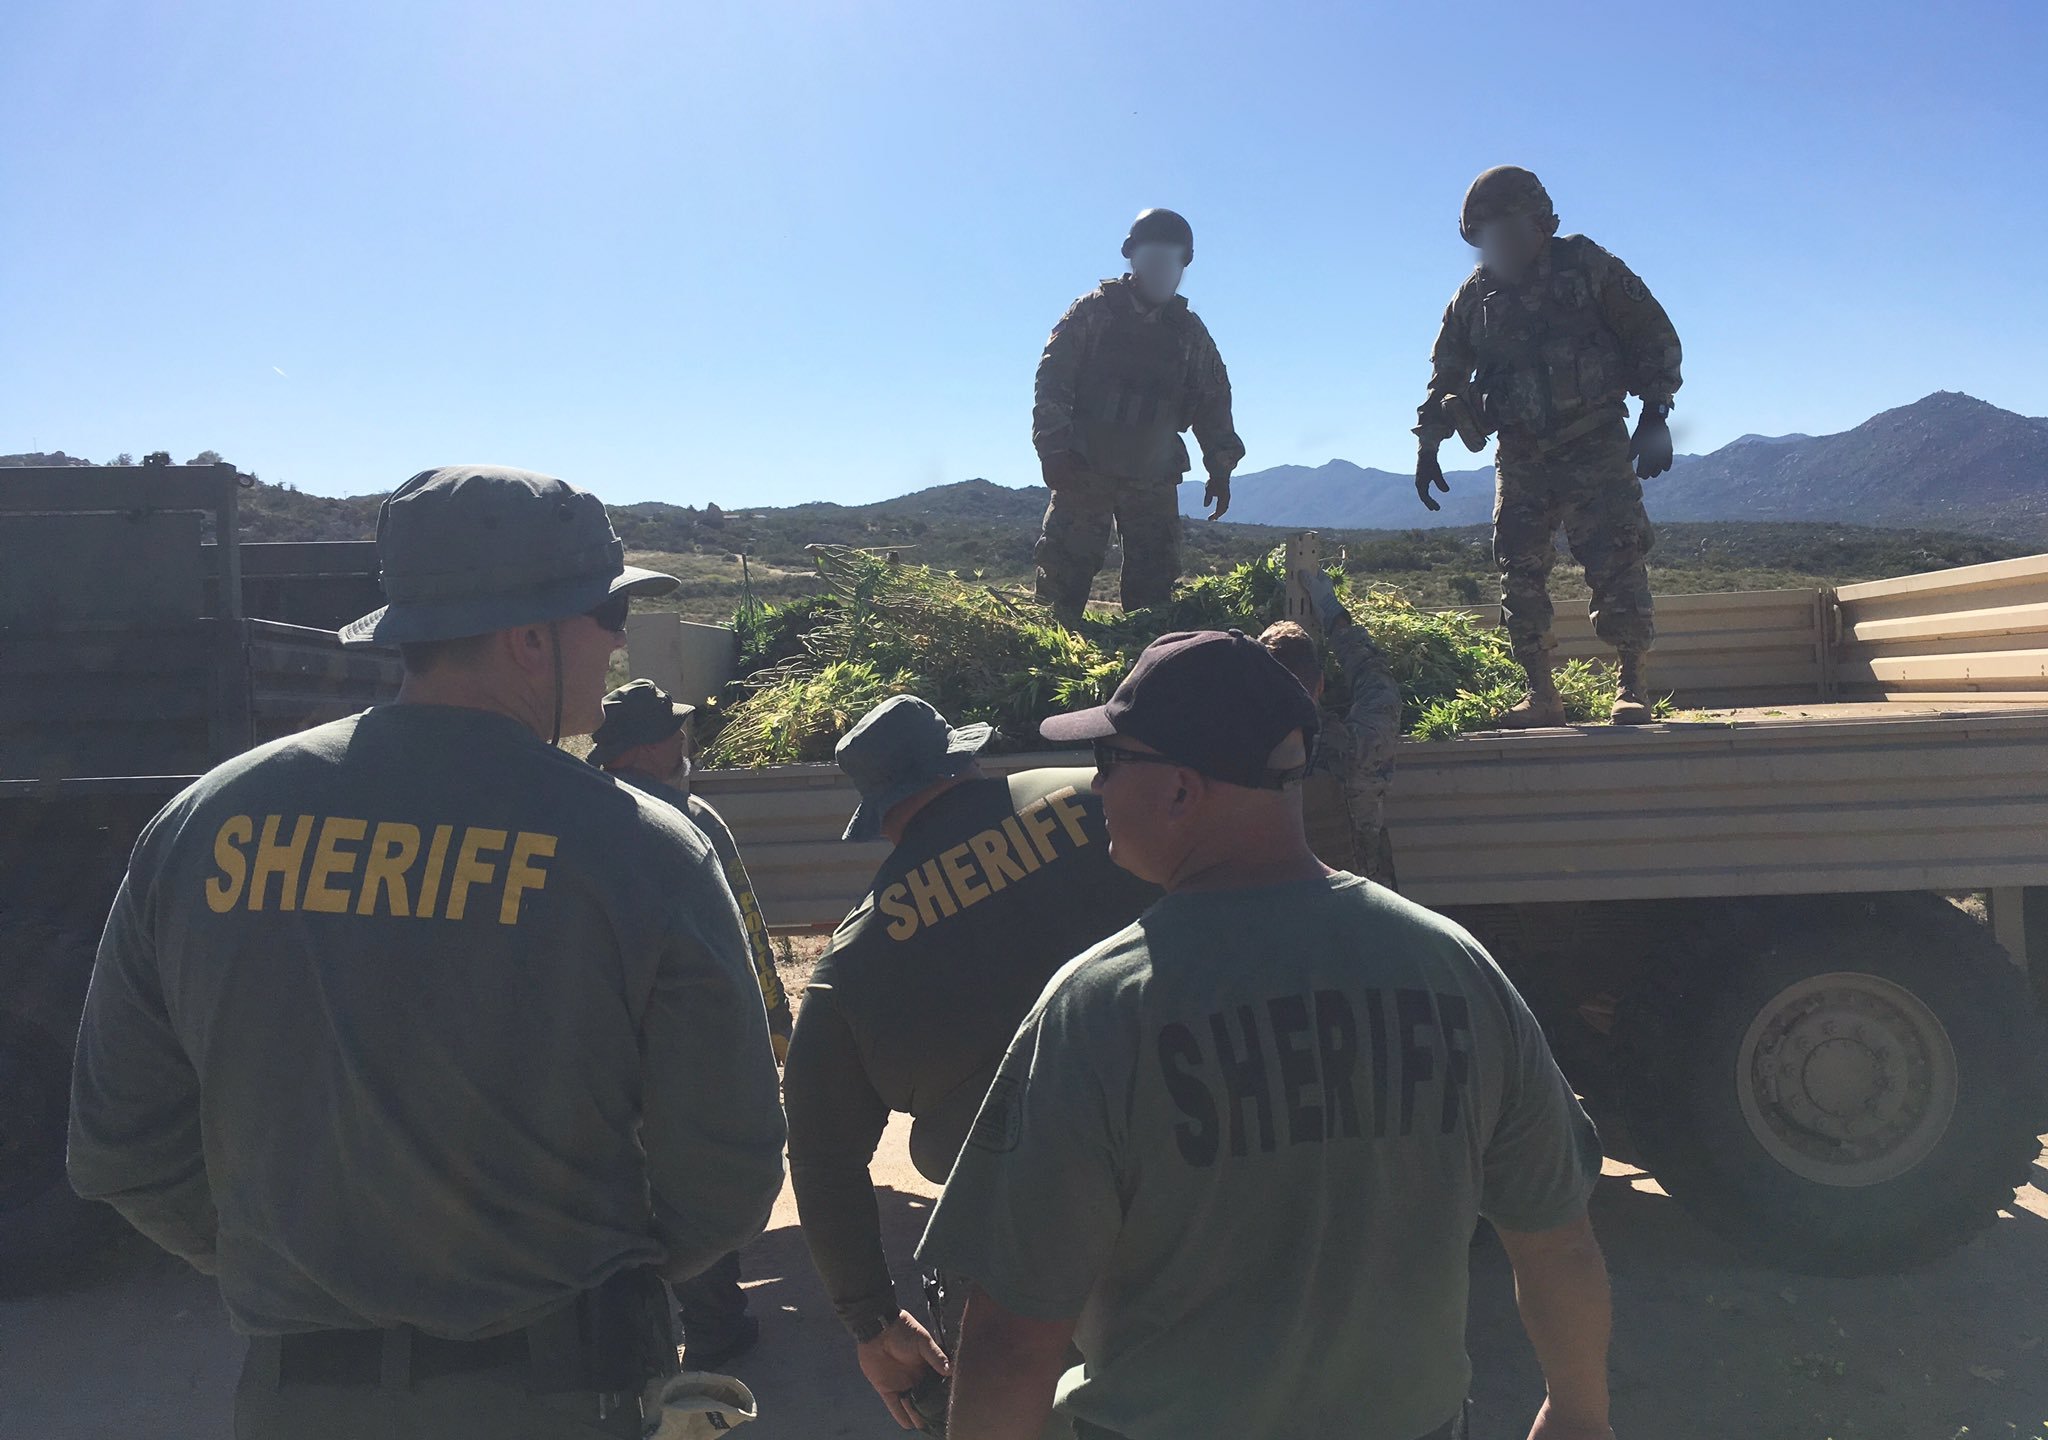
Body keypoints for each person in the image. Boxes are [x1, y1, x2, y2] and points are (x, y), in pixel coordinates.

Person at [68, 465, 788, 1440]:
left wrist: (302, 1269)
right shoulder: (643, 848)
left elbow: (119, 1151)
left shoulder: (201, 825)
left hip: (298, 1401)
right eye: (606, 614)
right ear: (527, 638)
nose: (620, 643)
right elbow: (731, 1177)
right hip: (564, 1394)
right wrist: (589, 1271)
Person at [918, 629, 1615, 1440]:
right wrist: (1576, 1413)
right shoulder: (1454, 968)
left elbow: (1011, 1342)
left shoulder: (1101, 1008)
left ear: (1180, 791)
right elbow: (1557, 1243)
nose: (1094, 789)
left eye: (1111, 764)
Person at [783, 694, 1157, 1432]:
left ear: (880, 811)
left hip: (1017, 1244)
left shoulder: (850, 965)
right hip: (1195, 1173)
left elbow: (821, 1158)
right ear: (964, 756)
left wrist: (873, 1321)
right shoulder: (1093, 796)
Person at [1413, 165, 1683, 726]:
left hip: (1594, 444)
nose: (1496, 248)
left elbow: (1652, 334)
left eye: (1504, 233)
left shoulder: (1587, 267)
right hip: (1521, 454)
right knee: (1518, 569)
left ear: (1540, 224)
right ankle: (1541, 693)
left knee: (1618, 561)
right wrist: (1430, 444)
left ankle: (1632, 685)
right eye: (1484, 239)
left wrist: (1655, 413)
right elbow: (1446, 375)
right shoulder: (1476, 294)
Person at [588, 677, 796, 1371]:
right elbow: (743, 932)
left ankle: (622, 1329)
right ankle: (714, 1326)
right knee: (693, 1173)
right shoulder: (692, 821)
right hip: (679, 1042)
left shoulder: (571, 809)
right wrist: (774, 1022)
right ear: (649, 747)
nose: (686, 743)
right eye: (676, 733)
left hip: (597, 1042)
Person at [1032, 207, 1245, 625]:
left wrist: (1220, 467)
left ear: (1185, 264)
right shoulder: (1091, 312)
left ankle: (1146, 671)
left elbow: (1213, 398)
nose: (1164, 271)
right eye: (1155, 260)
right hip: (1083, 469)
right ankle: (1049, 668)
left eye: (1173, 261)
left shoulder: (1188, 331)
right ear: (1131, 256)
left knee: (1154, 591)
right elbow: (1052, 381)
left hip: (1153, 474)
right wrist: (1053, 450)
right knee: (1061, 584)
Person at [1257, 567, 1404, 886]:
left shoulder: (1239, 757)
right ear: (1321, 683)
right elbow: (1375, 677)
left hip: (1272, 915)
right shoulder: (1359, 746)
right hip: (1360, 910)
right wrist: (1334, 616)